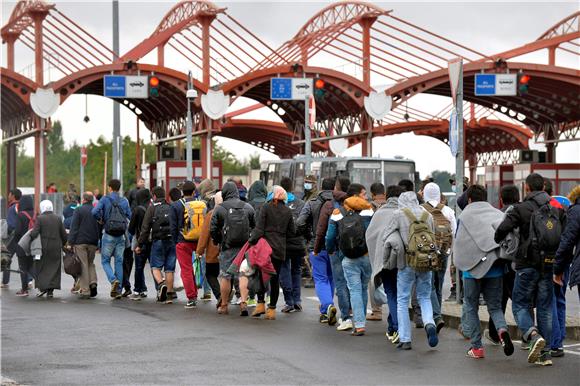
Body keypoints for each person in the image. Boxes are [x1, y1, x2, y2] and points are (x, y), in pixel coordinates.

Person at [495, 173, 566, 366]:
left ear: (526, 188)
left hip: (526, 264)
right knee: (545, 308)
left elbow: (502, 229)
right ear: (544, 186)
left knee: (519, 304)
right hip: (548, 264)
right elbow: (564, 235)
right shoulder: (556, 208)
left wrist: (500, 239)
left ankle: (533, 335)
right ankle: (546, 355)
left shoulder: (521, 208)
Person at [453, 185, 514, 359]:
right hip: (495, 268)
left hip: (471, 271)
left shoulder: (464, 216)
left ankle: (477, 348)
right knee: (495, 307)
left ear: (469, 199)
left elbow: (460, 243)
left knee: (471, 306)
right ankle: (502, 332)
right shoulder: (496, 213)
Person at [382, 191, 438, 350]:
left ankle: (405, 339)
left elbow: (386, 235)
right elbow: (432, 236)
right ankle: (429, 323)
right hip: (426, 261)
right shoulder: (427, 214)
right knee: (424, 296)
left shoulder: (398, 214)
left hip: (406, 262)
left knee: (402, 300)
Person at [326, 183, 373, 335]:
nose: (365, 197)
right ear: (358, 195)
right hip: (366, 256)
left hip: (347, 256)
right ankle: (362, 320)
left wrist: (331, 250)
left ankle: (359, 325)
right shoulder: (369, 210)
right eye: (364, 194)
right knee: (363, 288)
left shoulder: (337, 212)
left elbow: (330, 235)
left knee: (354, 290)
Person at [248, 185, 295, 320]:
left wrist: (251, 241)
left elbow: (259, 229)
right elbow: (291, 232)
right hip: (279, 248)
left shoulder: (266, 207)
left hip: (265, 248)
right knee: (275, 279)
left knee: (260, 275)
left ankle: (260, 304)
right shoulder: (287, 211)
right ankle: (272, 310)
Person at [366, 185, 404, 344]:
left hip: (386, 260)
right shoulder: (406, 213)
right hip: (404, 260)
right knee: (401, 295)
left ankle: (396, 327)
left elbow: (370, 236)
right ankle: (393, 326)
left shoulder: (379, 213)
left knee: (391, 293)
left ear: (387, 196)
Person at [210, 181, 255, 315]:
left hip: (227, 247)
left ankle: (224, 305)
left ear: (224, 193)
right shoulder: (248, 207)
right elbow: (255, 226)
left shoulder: (220, 208)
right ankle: (243, 303)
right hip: (245, 247)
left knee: (225, 275)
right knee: (243, 274)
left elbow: (212, 229)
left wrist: (218, 241)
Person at [314, 176, 352, 331]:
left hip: (333, 248)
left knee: (329, 279)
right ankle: (355, 315)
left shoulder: (328, 205)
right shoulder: (356, 203)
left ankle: (332, 309)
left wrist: (317, 248)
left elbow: (323, 230)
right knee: (352, 282)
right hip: (353, 248)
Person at [296, 177, 336, 323]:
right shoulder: (340, 203)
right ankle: (328, 308)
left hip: (316, 246)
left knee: (320, 278)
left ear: (320, 187)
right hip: (335, 247)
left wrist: (309, 236)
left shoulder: (311, 203)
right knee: (331, 278)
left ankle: (327, 306)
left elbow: (300, 223)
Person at [486, 185, 519, 345]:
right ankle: (528, 334)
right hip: (519, 262)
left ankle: (494, 333)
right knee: (520, 300)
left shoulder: (497, 214)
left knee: (499, 300)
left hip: (501, 263)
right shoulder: (523, 212)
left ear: (501, 199)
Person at [421, 182, 456, 332]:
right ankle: (438, 314)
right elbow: (454, 232)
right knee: (439, 285)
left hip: (428, 252)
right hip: (444, 252)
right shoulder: (448, 210)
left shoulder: (421, 210)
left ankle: (436, 316)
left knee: (429, 285)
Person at [552, 185, 580, 356]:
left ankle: (555, 342)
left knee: (554, 301)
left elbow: (567, 241)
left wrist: (557, 268)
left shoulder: (576, 212)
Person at [92, 179, 131, 299]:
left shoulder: (105, 199)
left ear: (109, 188)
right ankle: (118, 291)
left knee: (105, 261)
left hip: (108, 234)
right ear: (119, 188)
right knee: (119, 261)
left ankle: (113, 280)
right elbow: (130, 215)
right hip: (121, 235)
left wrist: (101, 219)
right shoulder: (124, 200)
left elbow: (94, 212)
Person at [137, 186, 175, 304]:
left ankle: (160, 283)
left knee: (155, 267)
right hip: (171, 241)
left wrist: (140, 244)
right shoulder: (171, 207)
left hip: (158, 240)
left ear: (154, 196)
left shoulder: (152, 208)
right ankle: (169, 294)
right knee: (169, 268)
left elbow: (145, 228)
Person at [170, 181, 202, 309]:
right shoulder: (201, 204)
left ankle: (191, 297)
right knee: (200, 267)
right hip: (199, 240)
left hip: (183, 241)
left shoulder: (176, 205)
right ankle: (204, 292)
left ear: (182, 192)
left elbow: (173, 227)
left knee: (187, 270)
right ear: (194, 191)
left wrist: (175, 241)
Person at [29, 200, 67, 298]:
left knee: (42, 267)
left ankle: (43, 288)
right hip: (56, 248)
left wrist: (30, 236)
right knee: (54, 269)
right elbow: (63, 234)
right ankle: (50, 291)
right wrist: (63, 244)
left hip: (43, 248)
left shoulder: (40, 218)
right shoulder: (58, 218)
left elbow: (34, 233)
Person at [279, 177, 306, 313]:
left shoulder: (278, 203)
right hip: (298, 242)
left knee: (284, 269)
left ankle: (288, 301)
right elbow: (304, 223)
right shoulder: (301, 203)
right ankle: (297, 300)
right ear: (292, 188)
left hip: (283, 243)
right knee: (296, 270)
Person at [67, 192, 100, 299]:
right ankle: (93, 282)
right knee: (90, 263)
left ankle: (85, 290)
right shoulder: (96, 210)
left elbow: (74, 227)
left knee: (83, 265)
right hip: (93, 242)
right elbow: (100, 226)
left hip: (81, 242)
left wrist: (70, 242)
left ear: (84, 199)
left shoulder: (79, 210)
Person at [196, 191, 222, 304]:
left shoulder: (211, 214)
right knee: (227, 275)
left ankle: (220, 295)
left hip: (213, 251)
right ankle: (227, 294)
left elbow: (204, 235)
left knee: (211, 274)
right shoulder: (232, 211)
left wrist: (199, 251)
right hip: (229, 249)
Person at [367, 182, 388, 321]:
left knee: (374, 279)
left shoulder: (369, 207)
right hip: (391, 247)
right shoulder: (392, 207)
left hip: (374, 248)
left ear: (372, 194)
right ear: (385, 194)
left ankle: (377, 311)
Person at [8, 195, 35, 296]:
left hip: (22, 245)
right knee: (31, 266)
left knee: (23, 267)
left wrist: (15, 242)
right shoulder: (35, 214)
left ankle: (24, 289)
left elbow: (18, 231)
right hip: (33, 244)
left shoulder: (21, 215)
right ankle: (42, 285)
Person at [128, 188, 152, 300]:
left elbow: (131, 229)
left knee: (139, 267)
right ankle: (160, 287)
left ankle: (139, 290)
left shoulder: (138, 209)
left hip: (140, 241)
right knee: (155, 267)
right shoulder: (153, 207)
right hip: (153, 241)